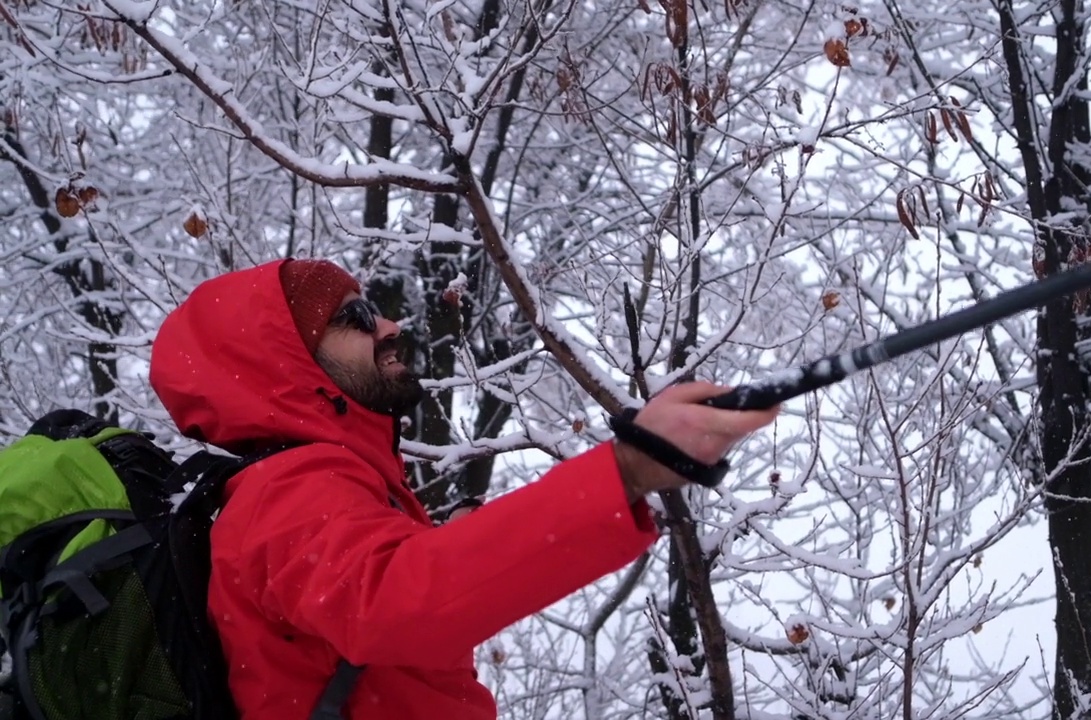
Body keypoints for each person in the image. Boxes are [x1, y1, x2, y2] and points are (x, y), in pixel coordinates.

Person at [147, 258, 779, 720]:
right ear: (286, 362)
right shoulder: (285, 491)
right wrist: (628, 470)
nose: (390, 325)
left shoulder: (337, 486)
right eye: (356, 317)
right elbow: (403, 600)